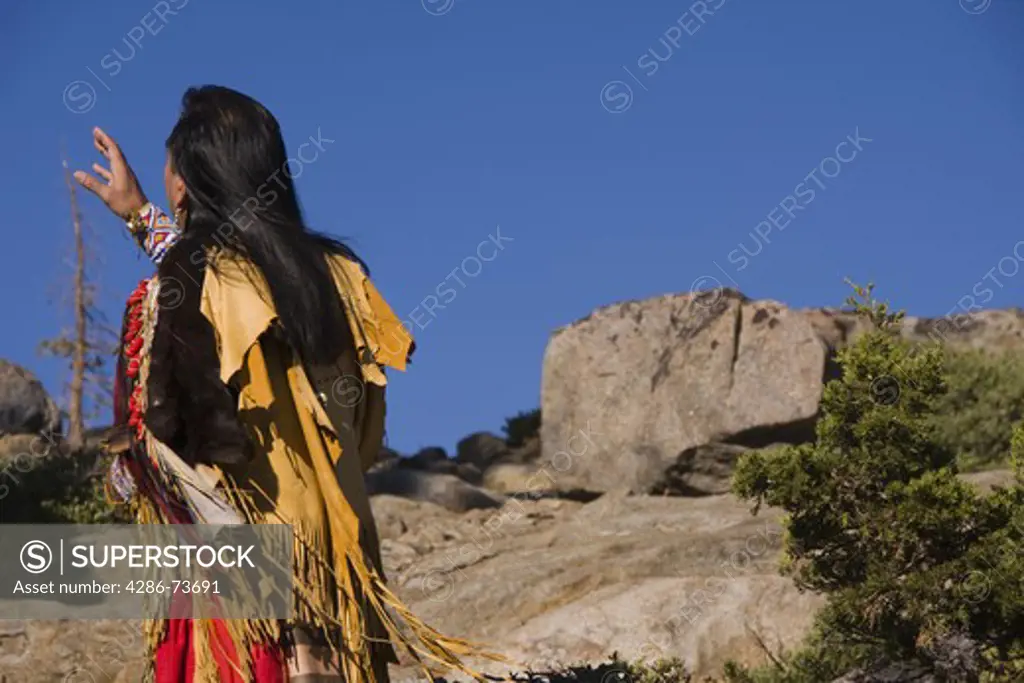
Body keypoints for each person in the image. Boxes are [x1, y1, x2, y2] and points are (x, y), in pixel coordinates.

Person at [74, 85, 500, 683]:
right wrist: (145, 221)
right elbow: (365, 430)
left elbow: (154, 449)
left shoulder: (164, 299)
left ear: (182, 185)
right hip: (340, 567)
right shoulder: (342, 282)